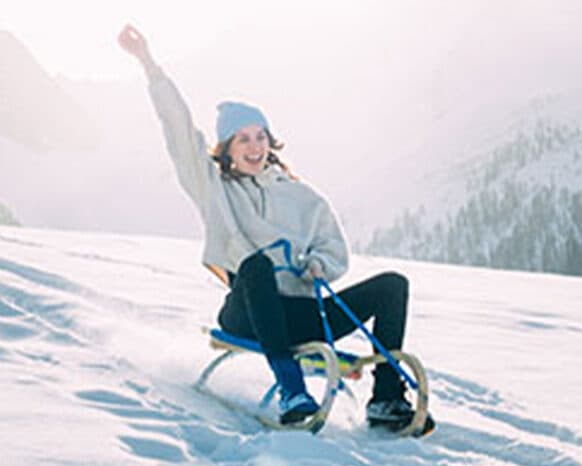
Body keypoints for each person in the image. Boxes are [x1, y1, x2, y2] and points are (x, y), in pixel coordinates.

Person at [117, 23, 419, 430]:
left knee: (392, 285)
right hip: (248, 310)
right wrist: (148, 64)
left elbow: (333, 248)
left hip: (304, 313)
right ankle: (292, 389)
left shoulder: (302, 197)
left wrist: (319, 264)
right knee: (255, 265)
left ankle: (385, 399)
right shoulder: (213, 187)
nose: (254, 147)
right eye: (242, 140)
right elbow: (178, 129)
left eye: (260, 137)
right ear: (225, 149)